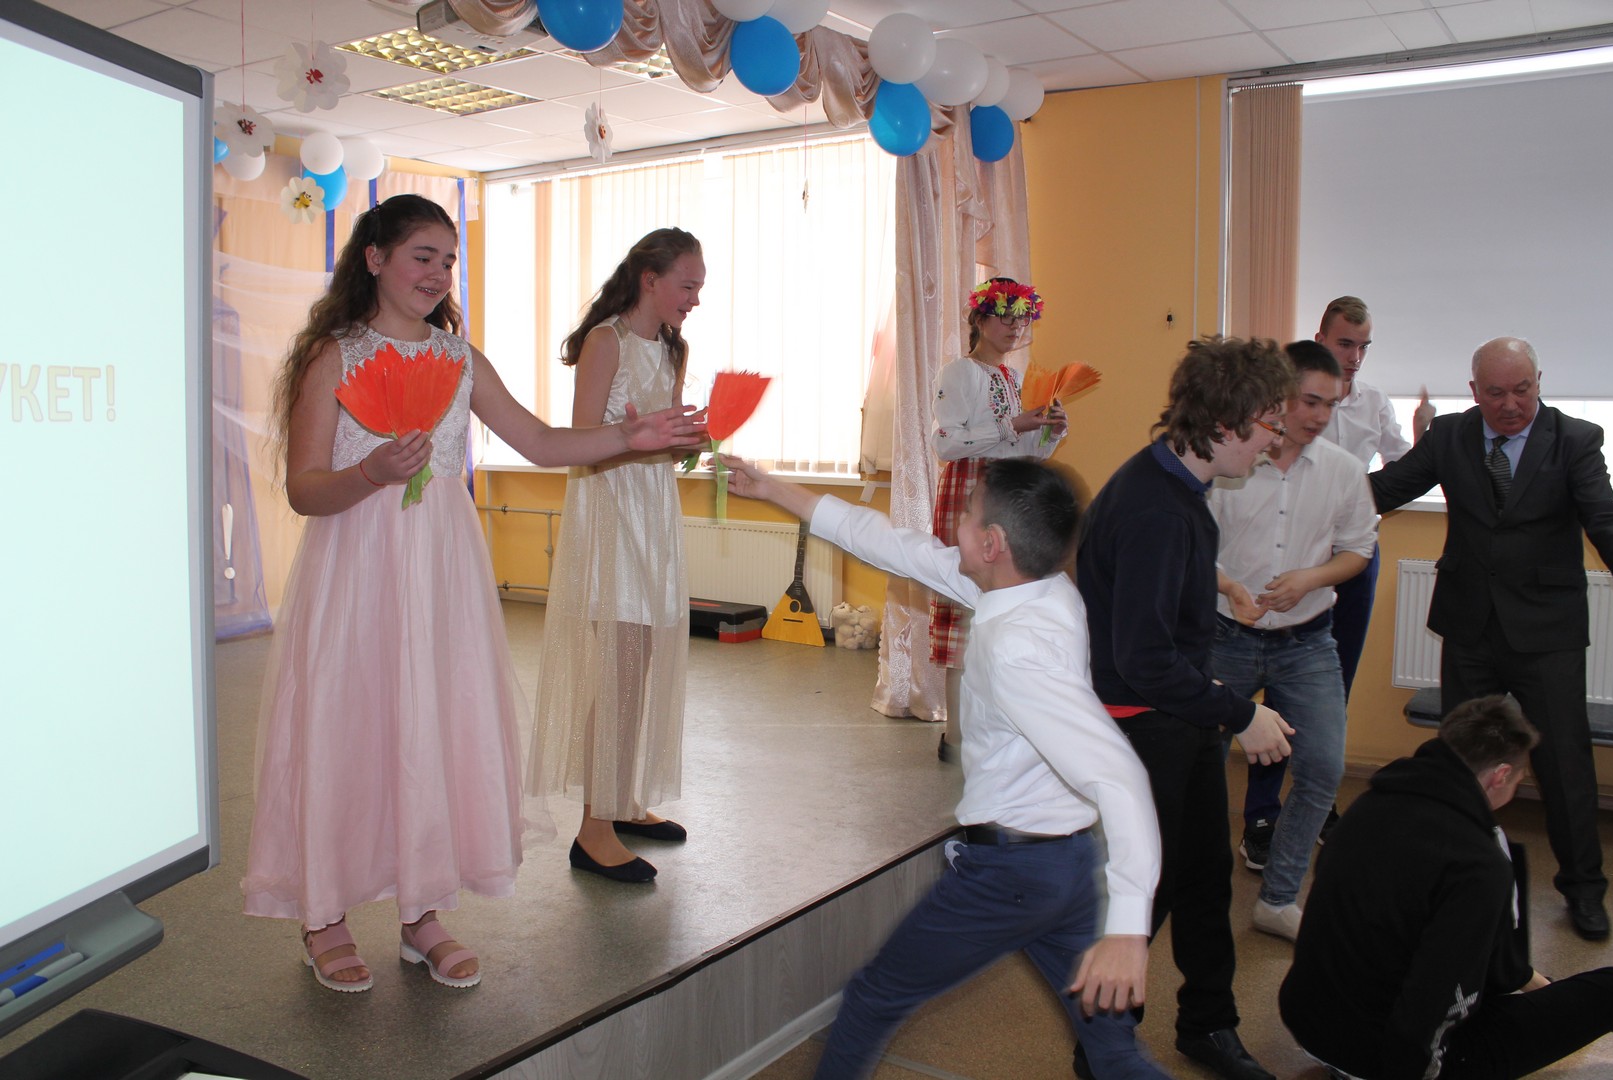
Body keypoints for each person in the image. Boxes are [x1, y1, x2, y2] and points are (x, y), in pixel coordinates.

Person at [241, 195, 705, 992]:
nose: (437, 274)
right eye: (422, 256)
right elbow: (303, 490)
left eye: (448, 261)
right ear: (375, 259)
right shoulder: (335, 357)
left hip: (442, 571)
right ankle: (324, 916)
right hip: (356, 568)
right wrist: (370, 471)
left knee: (429, 729)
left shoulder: (459, 359)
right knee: (349, 729)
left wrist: (629, 436)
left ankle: (421, 910)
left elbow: (542, 441)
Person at [722, 455, 1166, 1080]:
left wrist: (1127, 930)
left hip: (1011, 874)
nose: (955, 520)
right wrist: (775, 489)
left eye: (968, 512)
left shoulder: (1018, 649)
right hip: (1067, 864)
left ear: (992, 543)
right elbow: (896, 547)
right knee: (1115, 1054)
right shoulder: (1038, 589)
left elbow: (1119, 776)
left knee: (872, 998)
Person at [1073, 335, 1298, 1080]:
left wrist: (1221, 587)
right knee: (1152, 890)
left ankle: (1208, 1023)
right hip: (1150, 730)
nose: (1275, 441)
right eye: (1269, 425)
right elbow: (1143, 660)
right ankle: (1103, 1045)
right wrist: (1240, 714)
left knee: (1203, 877)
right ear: (1225, 424)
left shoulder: (1172, 488)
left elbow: (1160, 614)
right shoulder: (1158, 510)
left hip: (1180, 721)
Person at [1369, 336, 1613, 941]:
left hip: (1547, 632)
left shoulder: (1576, 439)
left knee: (1564, 763)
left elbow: (1605, 519)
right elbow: (1385, 489)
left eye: (1523, 390)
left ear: (1540, 382)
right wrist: (1305, 489)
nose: (1511, 404)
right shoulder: (1450, 435)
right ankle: (1453, 878)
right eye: (1496, 392)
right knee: (1463, 761)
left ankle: (1584, 889)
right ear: (1474, 390)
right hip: (1471, 627)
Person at [1280, 695, 1613, 1078]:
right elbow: (1434, 998)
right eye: (1521, 777)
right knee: (1612, 990)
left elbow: (1494, 963)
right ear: (1500, 775)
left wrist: (1545, 989)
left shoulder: (1370, 804)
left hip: (1308, 1022)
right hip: (1385, 1058)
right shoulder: (1478, 864)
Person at [526, 228, 705, 884]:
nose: (694, 299)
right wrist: (639, 438)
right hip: (611, 512)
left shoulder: (672, 347)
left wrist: (687, 440)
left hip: (653, 511)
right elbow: (580, 440)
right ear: (650, 279)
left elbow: (663, 445)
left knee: (641, 661)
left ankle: (622, 800)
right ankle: (593, 828)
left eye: (699, 288)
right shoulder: (607, 342)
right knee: (620, 668)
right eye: (687, 285)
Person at [1240, 296, 1433, 870]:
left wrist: (1425, 437)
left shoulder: (1374, 402)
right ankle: (1261, 814)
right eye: (1346, 343)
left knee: (1330, 687)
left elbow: (1405, 470)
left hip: (1351, 556)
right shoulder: (1283, 399)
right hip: (1288, 551)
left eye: (1363, 346)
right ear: (1321, 338)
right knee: (1278, 687)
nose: (1355, 356)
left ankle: (1314, 802)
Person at [1209, 341, 1377, 940]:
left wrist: (1311, 578)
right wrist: (1231, 587)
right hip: (1226, 636)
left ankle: (1278, 899)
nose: (1319, 416)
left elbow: (1359, 549)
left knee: (1324, 768)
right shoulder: (1230, 460)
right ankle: (1187, 881)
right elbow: (1191, 548)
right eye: (1309, 401)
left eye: (1330, 405)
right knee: (1195, 763)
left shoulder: (1343, 471)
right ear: (1279, 394)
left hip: (1307, 642)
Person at [930, 277, 1065, 761]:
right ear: (980, 319)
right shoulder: (959, 372)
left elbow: (1024, 449)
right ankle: (955, 737)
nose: (1014, 328)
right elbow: (947, 443)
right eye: (1005, 317)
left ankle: (992, 730)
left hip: (1006, 493)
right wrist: (1013, 424)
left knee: (1001, 610)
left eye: (1021, 320)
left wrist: (1049, 432)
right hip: (969, 493)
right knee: (964, 609)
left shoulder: (1012, 378)